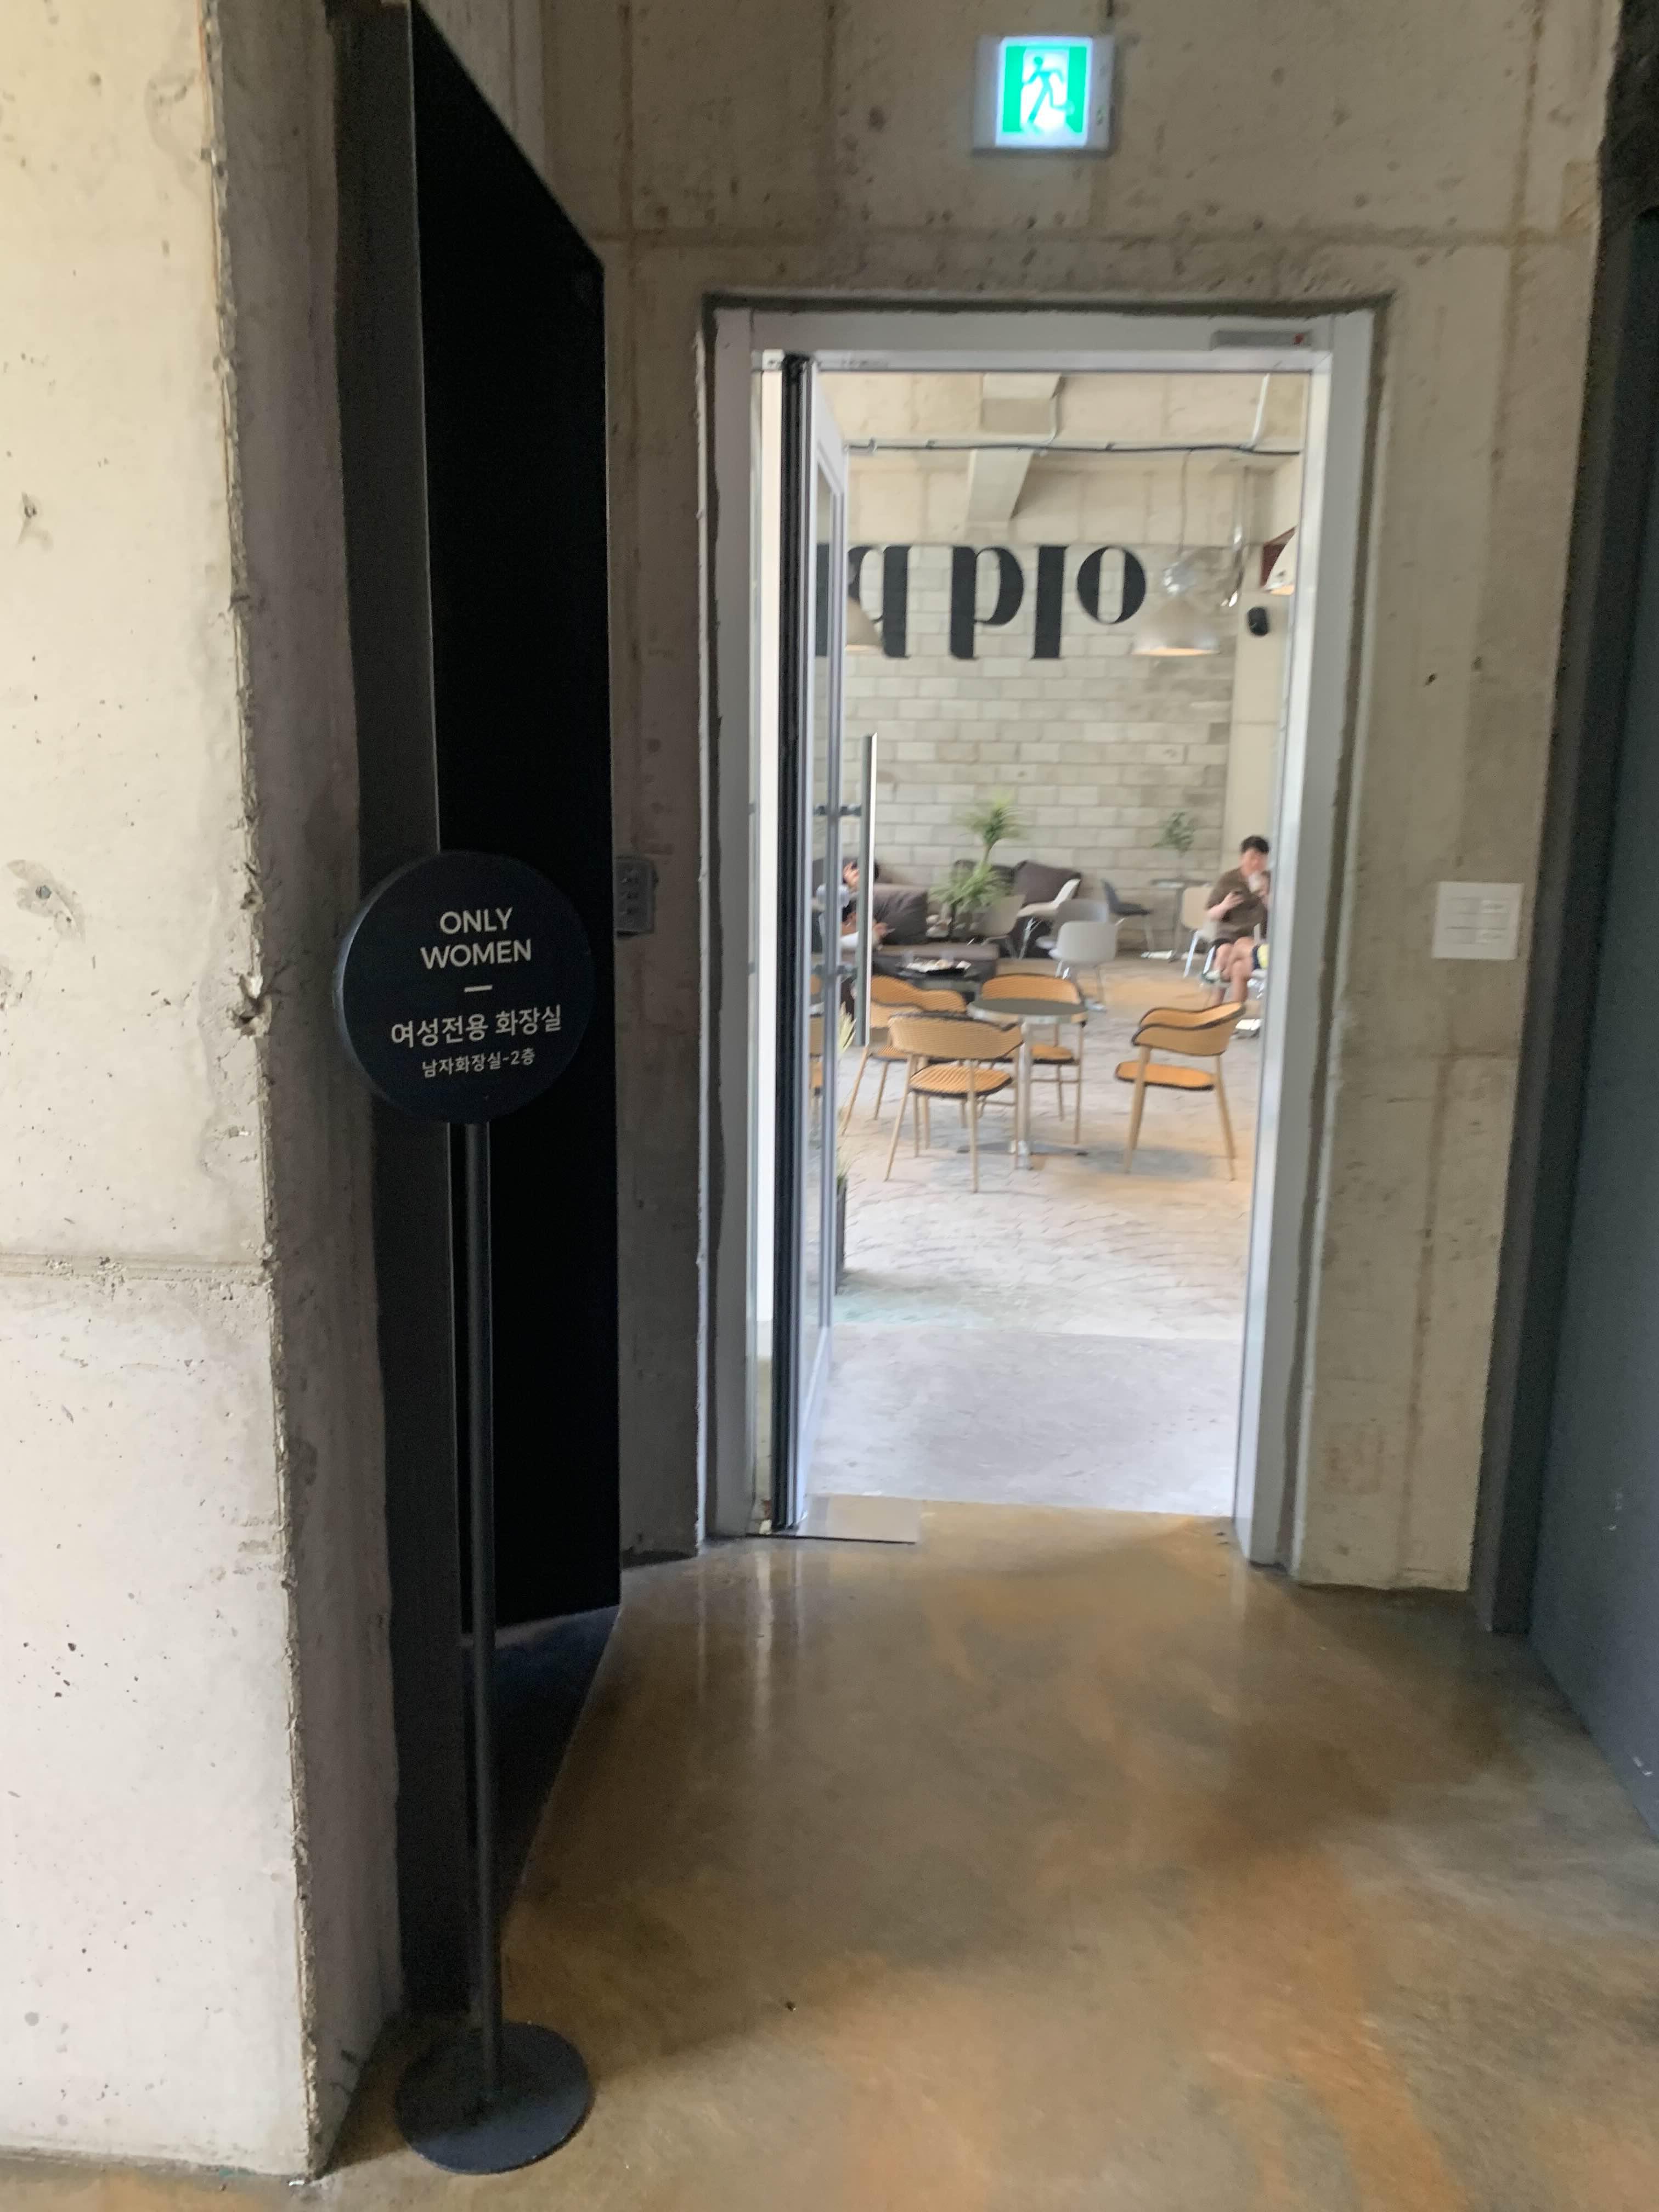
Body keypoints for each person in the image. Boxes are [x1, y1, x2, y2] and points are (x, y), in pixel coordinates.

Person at [1204, 836, 1271, 1005]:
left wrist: (1266, 896)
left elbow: (1282, 912)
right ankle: (1215, 1005)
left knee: (1236, 965)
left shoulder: (1270, 880)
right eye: (1252, 857)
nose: (1257, 863)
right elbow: (1211, 914)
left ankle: (1225, 991)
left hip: (1258, 937)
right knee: (1225, 952)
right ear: (1242, 858)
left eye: (1262, 858)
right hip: (1229, 935)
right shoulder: (1228, 880)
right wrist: (1224, 906)